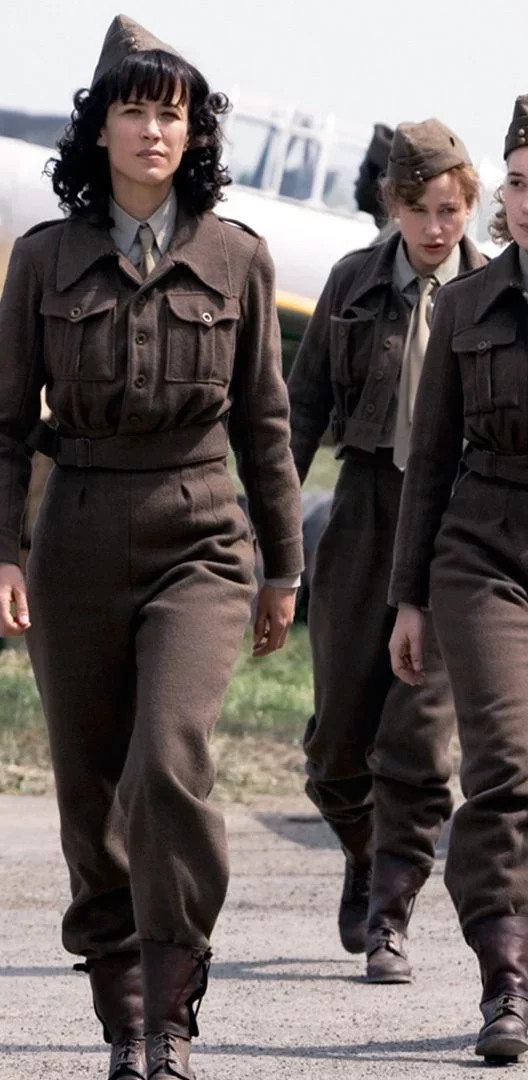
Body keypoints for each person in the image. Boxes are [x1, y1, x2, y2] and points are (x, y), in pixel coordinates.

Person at [0, 15, 303, 1080]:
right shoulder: (45, 257)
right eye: (134, 109)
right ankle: (125, 1022)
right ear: (100, 127)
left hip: (199, 533)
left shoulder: (238, 256)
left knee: (166, 763)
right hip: (73, 535)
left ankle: (172, 1009)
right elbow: (0, 427)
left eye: (172, 113)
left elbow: (266, 426)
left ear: (194, 131)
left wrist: (285, 566)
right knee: (90, 788)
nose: (153, 130)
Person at [286, 120, 486, 984]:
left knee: (418, 741)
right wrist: (270, 527)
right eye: (419, 208)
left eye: (450, 209)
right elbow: (300, 409)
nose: (435, 227)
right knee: (336, 743)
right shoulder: (351, 281)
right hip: (364, 509)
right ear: (391, 204)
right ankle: (365, 854)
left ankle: (390, 917)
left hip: (454, 520)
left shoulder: (492, 291)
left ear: (470, 207)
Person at [389, 94, 528, 1064]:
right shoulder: (467, 306)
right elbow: (431, 459)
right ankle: (506, 981)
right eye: (519, 183)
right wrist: (410, 597)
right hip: (484, 556)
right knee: (505, 769)